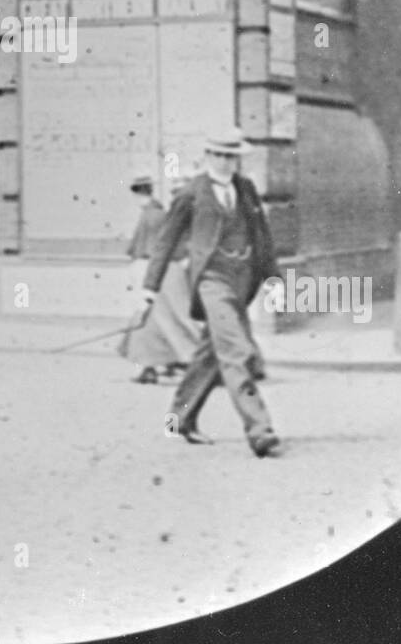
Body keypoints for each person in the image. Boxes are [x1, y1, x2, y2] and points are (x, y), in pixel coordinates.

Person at [140, 131, 281, 456]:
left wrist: (272, 276)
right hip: (211, 280)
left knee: (212, 353)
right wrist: (150, 287)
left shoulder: (245, 189)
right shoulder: (192, 192)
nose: (224, 162)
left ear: (237, 158)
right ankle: (259, 429)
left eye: (230, 156)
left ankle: (180, 419)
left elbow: (262, 234)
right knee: (236, 351)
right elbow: (165, 241)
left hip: (242, 280)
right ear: (208, 156)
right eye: (218, 155)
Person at [118, 174, 195, 383]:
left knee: (156, 319)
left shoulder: (154, 215)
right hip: (162, 269)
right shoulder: (160, 213)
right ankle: (158, 364)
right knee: (159, 320)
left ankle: (158, 365)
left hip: (157, 270)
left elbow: (156, 247)